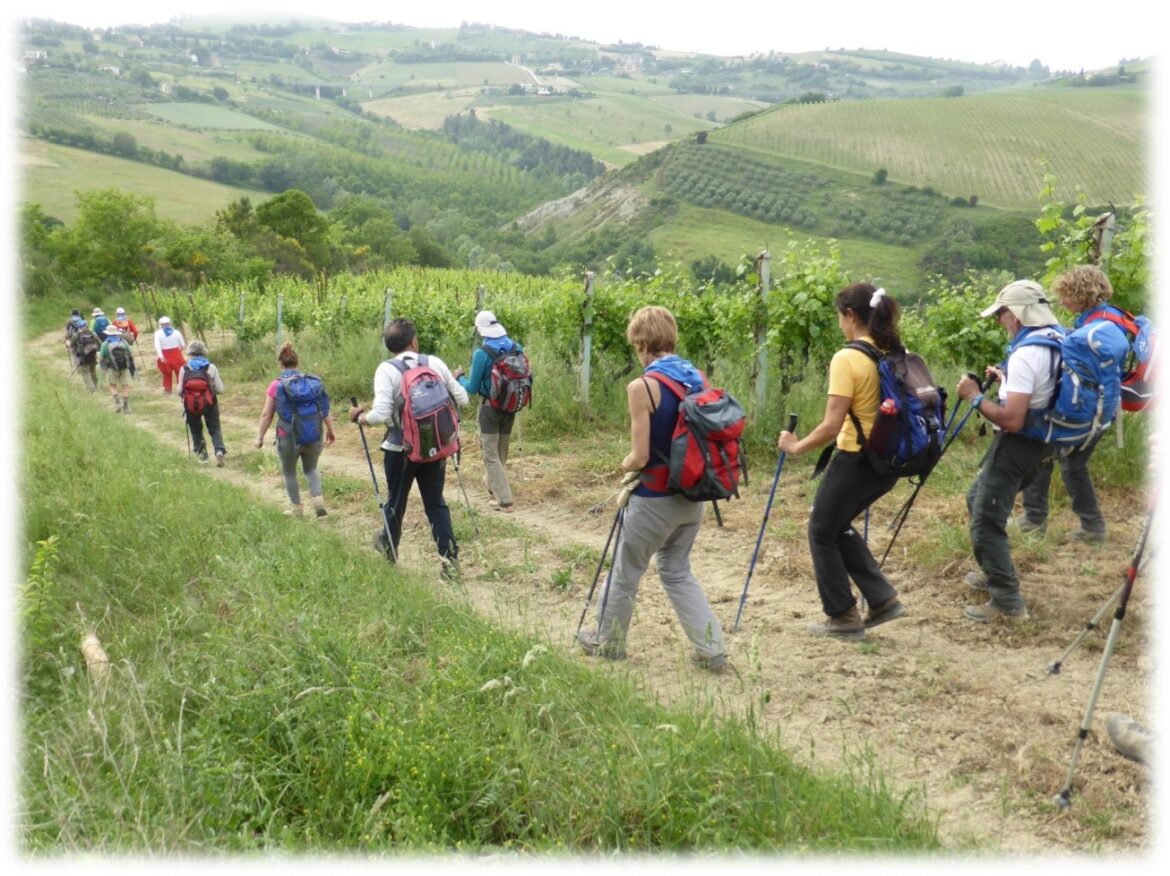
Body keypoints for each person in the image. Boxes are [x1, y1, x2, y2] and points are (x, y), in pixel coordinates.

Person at [577, 305, 726, 670]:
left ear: (642, 342)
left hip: (654, 499)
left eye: (635, 345)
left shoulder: (641, 387)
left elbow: (640, 456)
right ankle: (711, 649)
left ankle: (607, 643)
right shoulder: (698, 378)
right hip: (694, 496)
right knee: (677, 570)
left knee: (626, 571)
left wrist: (624, 464)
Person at [776, 284, 907, 640]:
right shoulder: (893, 351)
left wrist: (797, 446)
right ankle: (882, 600)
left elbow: (832, 425)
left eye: (839, 316)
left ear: (850, 315)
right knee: (835, 524)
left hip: (856, 459)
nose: (839, 323)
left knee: (821, 530)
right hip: (889, 462)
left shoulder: (847, 358)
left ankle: (843, 617)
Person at [955, 279, 1063, 622]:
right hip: (1044, 443)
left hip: (1018, 444)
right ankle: (993, 571)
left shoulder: (1028, 353)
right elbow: (1041, 393)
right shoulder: (1055, 341)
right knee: (977, 498)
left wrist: (974, 396)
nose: (1000, 320)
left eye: (1001, 313)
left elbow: (1013, 419)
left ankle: (1007, 603)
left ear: (1015, 314)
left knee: (986, 519)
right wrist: (1007, 381)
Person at [348, 318, 469, 578]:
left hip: (398, 447)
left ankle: (390, 551)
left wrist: (360, 418)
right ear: (414, 341)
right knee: (436, 504)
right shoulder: (434, 363)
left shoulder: (386, 370)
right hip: (434, 447)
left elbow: (380, 413)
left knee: (396, 501)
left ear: (390, 346)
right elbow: (463, 398)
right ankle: (450, 563)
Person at [1018, 266, 1129, 543]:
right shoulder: (1110, 320)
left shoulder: (1086, 332)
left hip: (1080, 413)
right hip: (1104, 410)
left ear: (1082, 294)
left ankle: (1033, 520)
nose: (1064, 301)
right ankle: (1093, 527)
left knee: (1040, 453)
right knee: (1074, 465)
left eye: (1067, 295)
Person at [454, 310, 524, 513]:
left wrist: (459, 377)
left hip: (489, 408)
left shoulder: (481, 354)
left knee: (490, 455)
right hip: (511, 405)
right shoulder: (516, 347)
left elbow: (473, 388)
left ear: (480, 329)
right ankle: (491, 485)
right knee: (501, 452)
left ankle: (505, 500)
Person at [254, 342, 335, 518]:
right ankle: (318, 503)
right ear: (297, 363)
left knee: (289, 472)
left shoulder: (276, 385)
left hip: (288, 435)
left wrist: (259, 437)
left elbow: (267, 414)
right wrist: (330, 430)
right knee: (311, 470)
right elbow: (325, 410)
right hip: (314, 432)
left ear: (280, 364)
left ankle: (297, 510)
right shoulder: (313, 383)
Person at [179, 339, 227, 466]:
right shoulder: (210, 367)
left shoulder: (184, 369)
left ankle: (202, 456)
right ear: (203, 352)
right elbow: (220, 389)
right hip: (209, 402)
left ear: (190, 353)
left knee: (196, 430)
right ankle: (219, 450)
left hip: (190, 404)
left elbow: (180, 390)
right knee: (215, 428)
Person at [98, 324, 133, 413]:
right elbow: (130, 354)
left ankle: (117, 402)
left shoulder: (105, 344)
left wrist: (104, 367)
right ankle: (126, 406)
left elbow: (101, 357)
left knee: (112, 385)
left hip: (112, 367)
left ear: (108, 333)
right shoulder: (124, 342)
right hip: (124, 367)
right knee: (125, 385)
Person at [65, 310, 99, 392]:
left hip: (83, 357)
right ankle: (97, 385)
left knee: (86, 373)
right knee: (92, 370)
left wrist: (67, 342)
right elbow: (100, 344)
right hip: (93, 355)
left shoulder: (76, 335)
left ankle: (92, 389)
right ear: (87, 326)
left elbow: (71, 345)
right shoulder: (93, 333)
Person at [154, 315, 187, 393]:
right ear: (170, 323)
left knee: (166, 373)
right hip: (176, 354)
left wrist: (160, 356)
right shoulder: (176, 332)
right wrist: (179, 350)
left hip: (165, 354)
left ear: (160, 325)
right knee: (179, 371)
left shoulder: (158, 333)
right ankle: (181, 388)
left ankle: (167, 389)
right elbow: (183, 345)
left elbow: (157, 345)